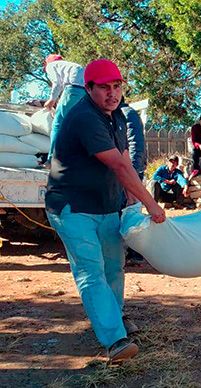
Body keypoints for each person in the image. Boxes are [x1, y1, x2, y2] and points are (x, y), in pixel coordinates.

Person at [45, 59, 166, 362]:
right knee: (91, 271)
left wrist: (131, 199)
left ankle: (115, 318)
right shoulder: (84, 117)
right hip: (72, 207)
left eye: (117, 86)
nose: (112, 94)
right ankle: (114, 340)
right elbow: (118, 164)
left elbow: (124, 156)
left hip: (106, 205)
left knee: (114, 267)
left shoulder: (117, 117)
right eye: (104, 88)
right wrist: (150, 203)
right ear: (88, 88)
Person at [43, 54, 86, 161]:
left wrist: (51, 100)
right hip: (85, 92)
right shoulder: (70, 66)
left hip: (72, 90)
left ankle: (52, 158)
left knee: (58, 124)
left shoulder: (51, 66)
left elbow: (57, 83)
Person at [120, 97, 147, 265]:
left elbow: (135, 144)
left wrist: (133, 173)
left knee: (132, 211)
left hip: (130, 172)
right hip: (124, 171)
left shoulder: (126, 114)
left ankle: (136, 252)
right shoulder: (117, 115)